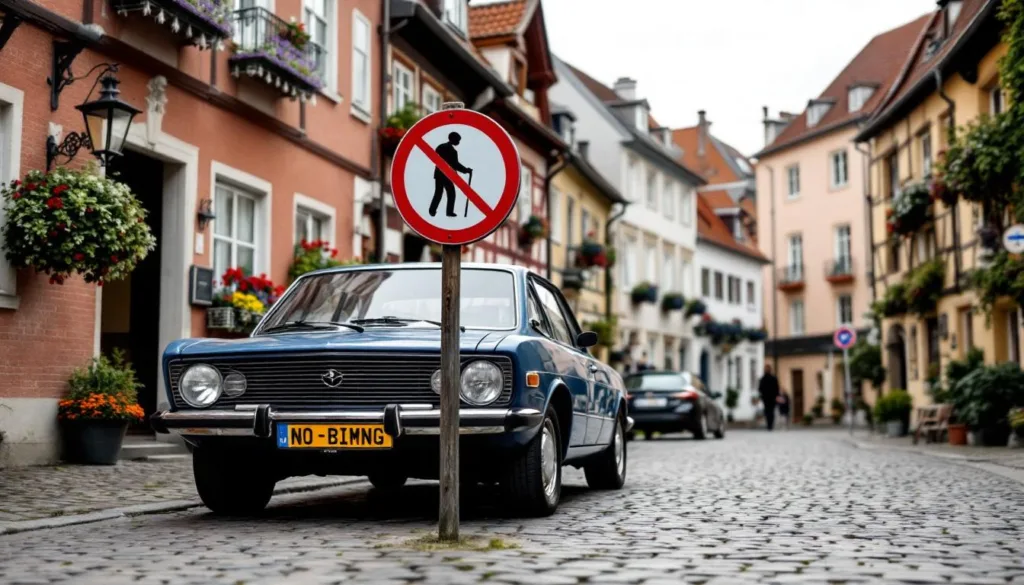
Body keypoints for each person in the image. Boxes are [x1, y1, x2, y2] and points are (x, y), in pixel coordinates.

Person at [429, 132, 472, 218]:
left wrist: (465, 170)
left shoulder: (441, 147)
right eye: (458, 140)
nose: (458, 142)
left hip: (439, 174)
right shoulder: (451, 151)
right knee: (450, 193)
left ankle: (432, 210)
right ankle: (448, 212)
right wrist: (466, 170)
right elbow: (455, 164)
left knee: (438, 193)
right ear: (453, 139)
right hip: (446, 175)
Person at [758, 364, 780, 431]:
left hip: (769, 398)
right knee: (769, 412)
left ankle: (769, 425)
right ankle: (769, 425)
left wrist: (776, 396)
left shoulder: (765, 379)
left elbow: (776, 388)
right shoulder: (768, 378)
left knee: (769, 412)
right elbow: (760, 389)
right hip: (768, 398)